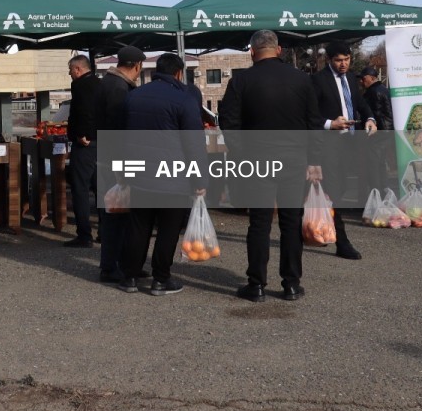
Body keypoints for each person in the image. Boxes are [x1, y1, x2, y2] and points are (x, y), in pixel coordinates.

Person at [219, 30, 321, 302]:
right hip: (294, 159)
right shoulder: (302, 79)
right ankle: (290, 283)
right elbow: (314, 123)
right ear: (279, 50)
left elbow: (228, 123)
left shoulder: (240, 80)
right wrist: (313, 160)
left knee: (260, 223)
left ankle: (257, 285)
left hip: (257, 159)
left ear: (252, 52)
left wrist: (242, 155)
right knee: (290, 222)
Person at [119, 53, 207, 296]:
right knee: (168, 229)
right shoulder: (184, 99)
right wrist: (200, 180)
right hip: (173, 177)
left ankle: (130, 277)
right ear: (179, 73)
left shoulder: (133, 96)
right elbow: (194, 144)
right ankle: (160, 279)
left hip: (139, 174)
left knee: (138, 226)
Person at [311, 41, 377, 261]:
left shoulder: (350, 79)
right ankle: (342, 241)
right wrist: (330, 124)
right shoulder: (318, 81)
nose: (343, 64)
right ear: (329, 59)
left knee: (337, 190)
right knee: (334, 193)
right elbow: (308, 116)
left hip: (349, 144)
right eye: (339, 60)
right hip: (327, 146)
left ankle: (312, 229)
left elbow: (359, 103)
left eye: (347, 59)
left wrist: (370, 118)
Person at [95, 45, 145, 284]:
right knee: (117, 215)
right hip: (118, 161)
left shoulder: (107, 84)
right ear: (136, 66)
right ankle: (111, 267)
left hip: (107, 157)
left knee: (119, 214)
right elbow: (119, 131)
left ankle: (125, 263)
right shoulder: (118, 89)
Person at [63, 54, 99, 248]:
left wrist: (82, 133)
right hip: (102, 142)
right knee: (100, 188)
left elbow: (83, 111)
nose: (69, 74)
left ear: (77, 69)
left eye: (70, 70)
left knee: (80, 188)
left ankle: (84, 234)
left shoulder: (81, 86)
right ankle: (105, 231)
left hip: (85, 144)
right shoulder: (100, 84)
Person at [359, 67, 394, 191]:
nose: (361, 82)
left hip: (378, 133)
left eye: (364, 79)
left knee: (373, 164)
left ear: (372, 78)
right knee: (380, 163)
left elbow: (373, 114)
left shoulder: (372, 92)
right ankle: (383, 190)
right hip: (387, 131)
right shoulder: (383, 89)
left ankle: (376, 191)